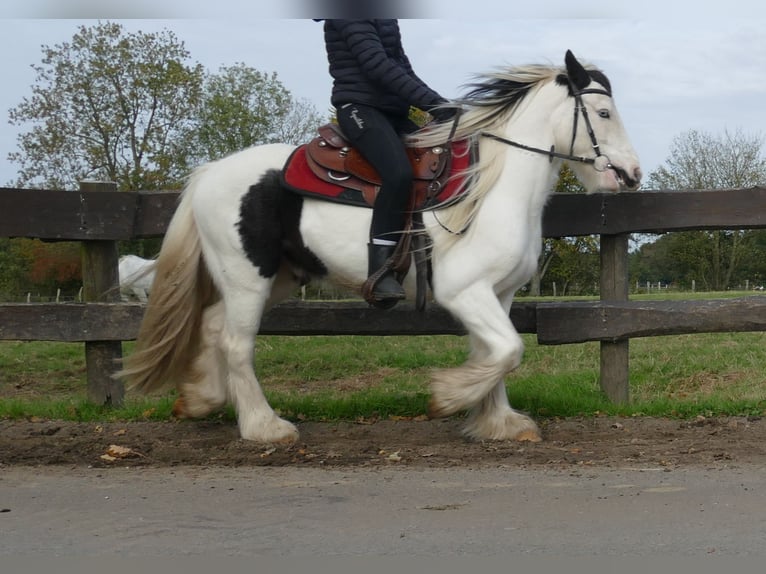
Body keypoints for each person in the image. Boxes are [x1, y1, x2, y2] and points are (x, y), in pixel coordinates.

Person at [318, 19, 456, 306]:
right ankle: (380, 271)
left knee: (444, 159)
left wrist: (442, 106)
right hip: (359, 108)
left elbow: (403, 68)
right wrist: (433, 104)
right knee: (398, 173)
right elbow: (377, 65)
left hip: (393, 114)